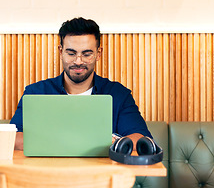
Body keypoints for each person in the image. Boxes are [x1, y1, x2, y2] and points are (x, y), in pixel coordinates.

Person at [10, 17, 152, 151]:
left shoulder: (118, 94)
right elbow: (13, 138)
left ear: (98, 53)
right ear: (61, 52)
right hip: (49, 174)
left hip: (101, 175)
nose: (78, 61)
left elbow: (140, 138)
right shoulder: (36, 92)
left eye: (86, 54)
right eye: (71, 53)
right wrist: (82, 142)